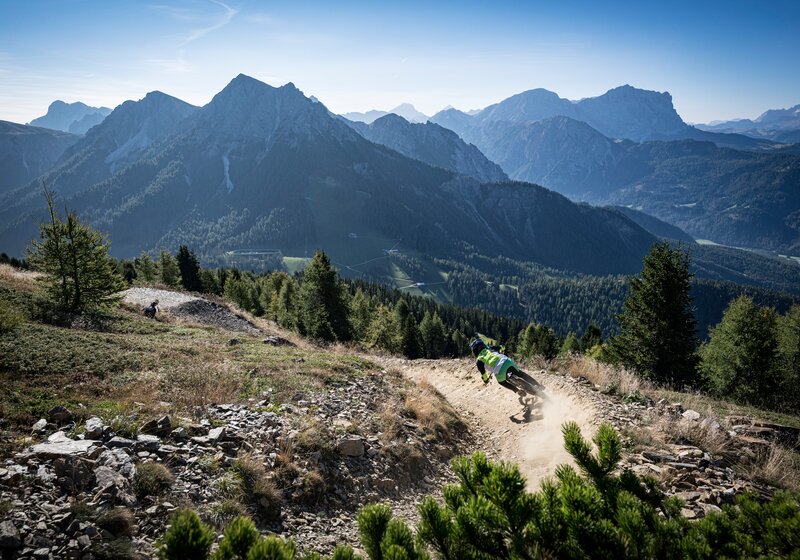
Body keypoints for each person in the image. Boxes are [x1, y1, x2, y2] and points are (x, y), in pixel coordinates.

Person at [470, 338, 544, 416]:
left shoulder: (479, 361)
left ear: (475, 351)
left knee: (502, 382)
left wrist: (486, 380)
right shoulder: (490, 348)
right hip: (507, 362)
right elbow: (502, 347)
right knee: (521, 374)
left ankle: (516, 390)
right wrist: (502, 351)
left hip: (499, 372)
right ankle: (538, 386)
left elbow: (484, 376)